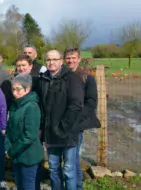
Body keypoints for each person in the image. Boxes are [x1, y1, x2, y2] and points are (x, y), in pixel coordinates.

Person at [36, 50, 84, 190]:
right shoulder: (43, 79)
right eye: (48, 59)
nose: (51, 62)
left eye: (54, 59)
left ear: (61, 61)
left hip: (67, 132)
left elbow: (76, 106)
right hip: (50, 133)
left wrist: (63, 127)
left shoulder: (71, 79)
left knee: (69, 170)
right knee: (54, 168)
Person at [64, 46, 100, 190]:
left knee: (72, 159)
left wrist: (76, 118)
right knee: (68, 159)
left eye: (73, 57)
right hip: (63, 123)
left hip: (76, 123)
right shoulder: (63, 75)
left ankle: (77, 186)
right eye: (68, 58)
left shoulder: (87, 78)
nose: (71, 60)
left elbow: (91, 102)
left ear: (79, 58)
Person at [5, 74, 44, 190]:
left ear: (27, 89)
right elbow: (9, 128)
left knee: (28, 186)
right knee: (19, 184)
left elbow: (30, 136)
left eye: (18, 89)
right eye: (13, 89)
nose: (14, 93)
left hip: (28, 156)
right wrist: (7, 146)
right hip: (16, 155)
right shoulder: (15, 105)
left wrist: (12, 151)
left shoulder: (32, 107)